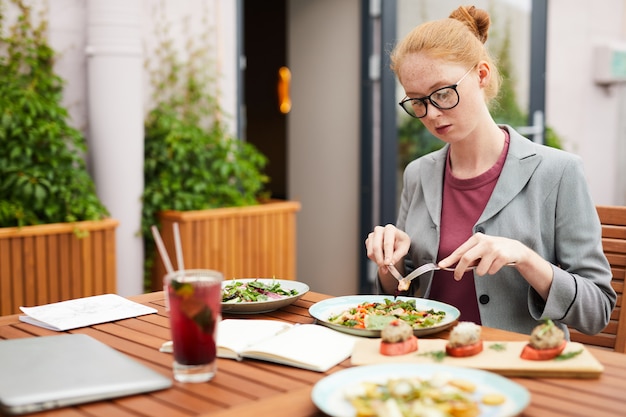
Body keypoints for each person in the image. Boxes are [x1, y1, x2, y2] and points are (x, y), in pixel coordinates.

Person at [365, 5, 616, 337]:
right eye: (418, 101)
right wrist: (390, 265)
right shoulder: (418, 173)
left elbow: (597, 310)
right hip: (428, 360)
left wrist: (526, 259)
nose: (432, 113)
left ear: (481, 75)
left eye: (443, 93)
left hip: (514, 366)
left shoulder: (558, 172)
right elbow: (404, 296)